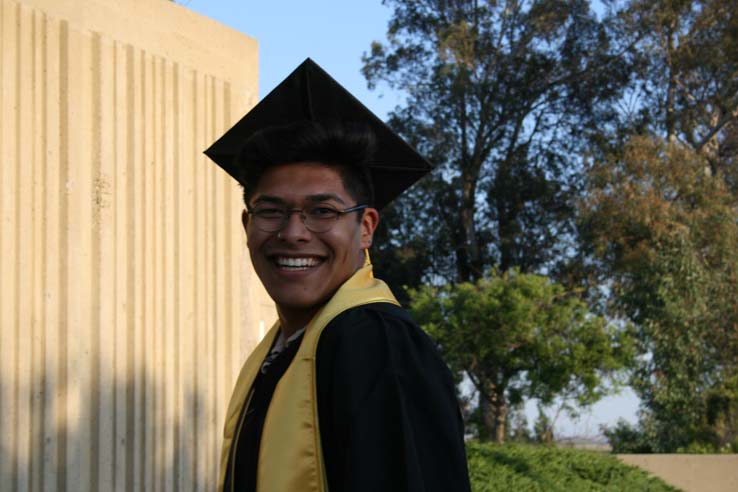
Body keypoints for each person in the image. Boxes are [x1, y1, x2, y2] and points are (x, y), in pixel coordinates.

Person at [205, 59, 471, 492]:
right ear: (246, 224)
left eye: (322, 212)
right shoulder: (283, 348)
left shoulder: (373, 341)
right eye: (271, 211)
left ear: (365, 227)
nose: (293, 233)